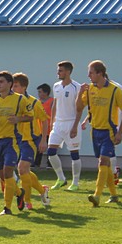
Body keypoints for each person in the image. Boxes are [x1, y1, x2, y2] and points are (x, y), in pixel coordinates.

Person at [73, 60, 122, 207]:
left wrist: (119, 132)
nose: (88, 75)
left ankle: (97, 196)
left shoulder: (115, 90)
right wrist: (80, 93)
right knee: (104, 164)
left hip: (109, 132)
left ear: (100, 73)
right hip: (95, 131)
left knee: (103, 162)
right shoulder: (89, 89)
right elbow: (79, 108)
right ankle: (114, 195)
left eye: (91, 72)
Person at [0, 71, 32, 215]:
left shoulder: (20, 99)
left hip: (13, 140)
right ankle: (19, 193)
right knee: (3, 176)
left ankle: (7, 208)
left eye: (1, 81)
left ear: (10, 84)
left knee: (8, 171)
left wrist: (18, 119)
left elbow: (30, 116)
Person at [11, 73, 51, 209]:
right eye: (12, 86)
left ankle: (27, 201)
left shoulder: (34, 102)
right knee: (24, 171)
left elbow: (44, 120)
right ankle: (42, 190)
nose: (13, 88)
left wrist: (44, 140)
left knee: (22, 169)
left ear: (24, 87)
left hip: (31, 140)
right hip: (17, 140)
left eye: (16, 86)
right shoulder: (12, 102)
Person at [46, 61, 84, 191]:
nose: (58, 73)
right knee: (51, 152)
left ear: (68, 72)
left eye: (60, 70)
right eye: (58, 70)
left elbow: (79, 108)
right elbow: (55, 105)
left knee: (74, 154)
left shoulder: (76, 87)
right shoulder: (56, 86)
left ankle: (75, 183)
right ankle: (61, 178)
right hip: (58, 124)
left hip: (71, 123)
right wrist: (52, 123)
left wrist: (75, 126)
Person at [34, 83, 53, 168]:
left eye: (40, 92)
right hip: (39, 129)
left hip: (50, 128)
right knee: (39, 147)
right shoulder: (37, 102)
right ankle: (36, 163)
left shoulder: (52, 101)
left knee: (51, 147)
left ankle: (50, 164)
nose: (39, 94)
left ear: (46, 92)